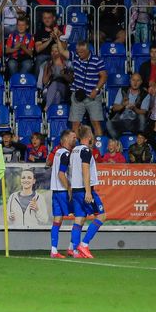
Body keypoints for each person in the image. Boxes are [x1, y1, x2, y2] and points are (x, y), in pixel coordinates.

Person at [68, 125, 106, 259]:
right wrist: (88, 192)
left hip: (76, 189)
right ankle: (84, 244)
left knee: (79, 218)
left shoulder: (74, 151)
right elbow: (85, 170)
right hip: (84, 189)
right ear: (89, 136)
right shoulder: (86, 151)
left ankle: (74, 250)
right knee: (101, 215)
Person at [60, 40, 107, 136]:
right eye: (77, 52)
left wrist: (97, 89)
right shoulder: (75, 57)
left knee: (96, 123)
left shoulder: (97, 60)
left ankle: (98, 148)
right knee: (75, 124)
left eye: (81, 52)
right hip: (78, 96)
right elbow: (62, 51)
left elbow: (104, 76)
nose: (79, 54)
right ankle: (75, 148)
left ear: (87, 51)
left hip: (92, 96)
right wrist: (57, 38)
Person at [49, 129, 75, 258]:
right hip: (63, 191)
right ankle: (72, 248)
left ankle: (54, 250)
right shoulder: (65, 154)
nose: (75, 140)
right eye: (73, 138)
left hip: (55, 191)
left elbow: (49, 164)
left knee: (57, 220)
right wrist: (69, 188)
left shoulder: (58, 152)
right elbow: (61, 174)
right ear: (66, 139)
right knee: (80, 216)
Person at [107, 73, 150, 139]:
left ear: (141, 82)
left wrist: (134, 108)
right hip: (121, 121)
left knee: (142, 117)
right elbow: (115, 108)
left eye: (138, 80)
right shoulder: (122, 90)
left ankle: (139, 140)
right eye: (133, 80)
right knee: (109, 123)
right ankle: (116, 142)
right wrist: (123, 105)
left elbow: (144, 112)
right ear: (130, 81)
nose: (135, 83)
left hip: (135, 122)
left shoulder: (145, 94)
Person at [40, 43, 73, 109]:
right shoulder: (47, 64)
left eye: (56, 51)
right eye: (52, 51)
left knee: (55, 84)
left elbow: (71, 80)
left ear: (60, 52)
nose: (54, 53)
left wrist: (63, 75)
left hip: (65, 89)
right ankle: (53, 115)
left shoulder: (67, 64)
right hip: (50, 90)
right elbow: (45, 82)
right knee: (57, 95)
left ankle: (46, 107)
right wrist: (49, 72)